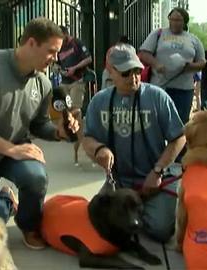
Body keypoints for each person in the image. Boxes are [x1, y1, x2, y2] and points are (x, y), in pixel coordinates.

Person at [0, 17, 79, 249]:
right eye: (51, 51)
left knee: (36, 176)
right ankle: (6, 203)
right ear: (31, 43)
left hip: (15, 153)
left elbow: (38, 124)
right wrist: (10, 148)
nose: (55, 59)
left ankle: (29, 225)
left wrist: (59, 133)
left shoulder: (43, 83)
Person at [81, 44, 186, 242]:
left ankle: (137, 210)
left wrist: (158, 170)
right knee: (95, 220)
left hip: (156, 178)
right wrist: (99, 149)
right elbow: (87, 138)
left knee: (161, 231)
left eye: (137, 70)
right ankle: (133, 209)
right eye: (126, 72)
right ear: (110, 71)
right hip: (120, 181)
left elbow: (179, 137)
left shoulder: (157, 97)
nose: (134, 77)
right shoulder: (99, 101)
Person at [139, 7, 205, 127]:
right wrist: (156, 64)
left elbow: (202, 62)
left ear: (184, 21)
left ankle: (178, 145)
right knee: (156, 122)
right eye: (172, 19)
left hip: (184, 89)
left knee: (180, 123)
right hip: (160, 87)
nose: (174, 22)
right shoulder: (158, 34)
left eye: (178, 20)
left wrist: (191, 66)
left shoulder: (193, 39)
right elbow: (143, 53)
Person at [57, 25, 92, 165]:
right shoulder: (59, 46)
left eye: (61, 36)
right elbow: (56, 63)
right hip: (64, 82)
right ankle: (68, 133)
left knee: (75, 111)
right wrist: (59, 70)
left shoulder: (77, 43)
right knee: (64, 111)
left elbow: (88, 59)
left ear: (66, 34)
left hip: (77, 81)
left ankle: (77, 145)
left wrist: (75, 68)